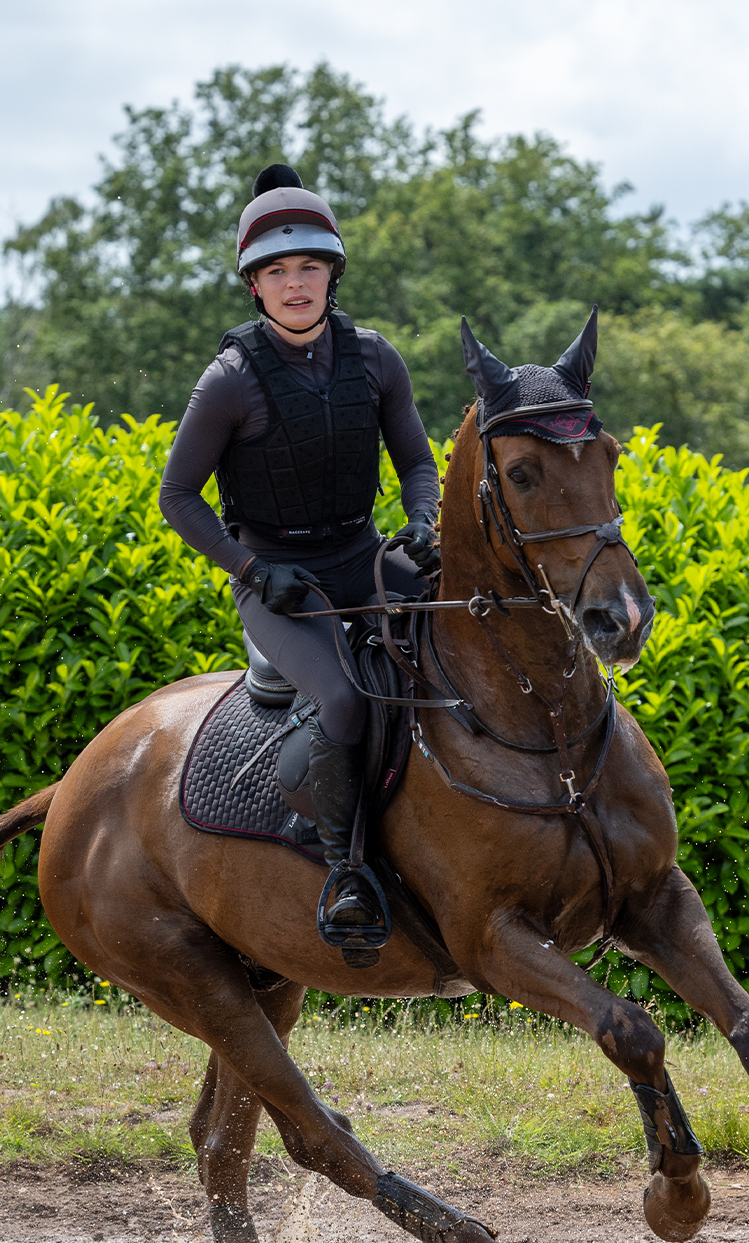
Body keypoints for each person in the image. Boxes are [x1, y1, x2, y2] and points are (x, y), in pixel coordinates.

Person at [158, 163, 442, 947]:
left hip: (361, 554)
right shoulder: (229, 380)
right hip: (277, 582)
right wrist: (252, 570)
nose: (294, 284)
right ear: (254, 286)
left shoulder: (378, 359)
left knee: (458, 644)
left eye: (308, 267)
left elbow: (418, 463)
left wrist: (422, 519)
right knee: (346, 702)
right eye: (277, 272)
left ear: (331, 274)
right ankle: (347, 875)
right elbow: (177, 498)